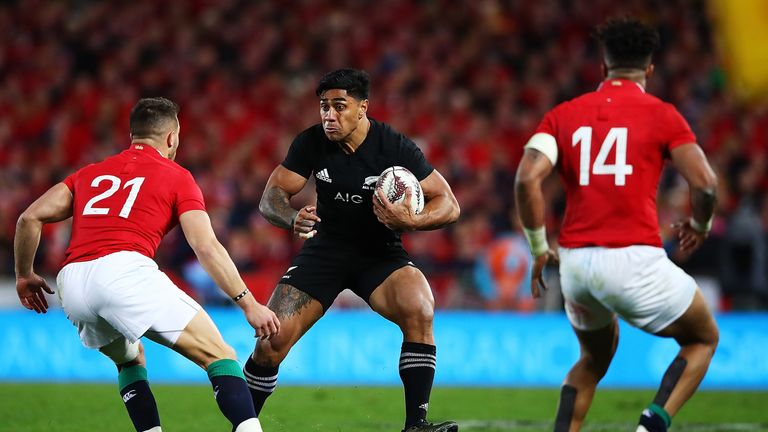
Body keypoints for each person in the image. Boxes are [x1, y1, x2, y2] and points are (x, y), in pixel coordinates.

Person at [14, 97, 280, 432]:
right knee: (220, 356)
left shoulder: (90, 174)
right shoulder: (177, 177)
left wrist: (24, 275)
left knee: (130, 358)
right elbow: (206, 246)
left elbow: (29, 218)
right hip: (124, 271)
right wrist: (248, 303)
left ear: (133, 135)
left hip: (73, 281)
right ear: (172, 137)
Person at [514, 18, 719, 432]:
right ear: (649, 71)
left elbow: (525, 179)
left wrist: (538, 248)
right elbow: (706, 183)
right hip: (634, 259)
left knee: (593, 359)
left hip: (574, 264)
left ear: (603, 69)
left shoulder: (563, 115)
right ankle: (653, 423)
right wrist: (700, 223)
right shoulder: (663, 115)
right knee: (703, 338)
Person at [243, 69, 460, 432]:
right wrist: (290, 217)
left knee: (419, 307)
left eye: (339, 106)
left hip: (380, 253)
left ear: (362, 108)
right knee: (271, 342)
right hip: (326, 251)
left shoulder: (394, 146)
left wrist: (412, 222)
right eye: (324, 106)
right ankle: (242, 424)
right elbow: (272, 196)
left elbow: (449, 204)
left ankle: (416, 425)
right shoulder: (311, 142)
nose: (329, 115)